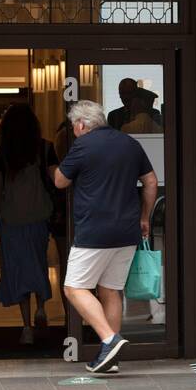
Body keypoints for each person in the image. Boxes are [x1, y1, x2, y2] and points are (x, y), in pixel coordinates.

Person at [54, 99, 158, 374]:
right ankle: (108, 357)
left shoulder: (82, 145)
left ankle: (110, 339)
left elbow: (60, 181)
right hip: (127, 231)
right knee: (110, 290)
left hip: (94, 231)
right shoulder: (129, 143)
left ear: (80, 124)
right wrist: (145, 217)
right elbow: (150, 181)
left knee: (74, 288)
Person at [0, 104, 59, 345]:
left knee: (18, 269)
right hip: (39, 216)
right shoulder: (46, 147)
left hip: (12, 219)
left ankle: (26, 326)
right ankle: (41, 307)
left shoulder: (3, 153)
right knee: (39, 262)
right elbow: (57, 180)